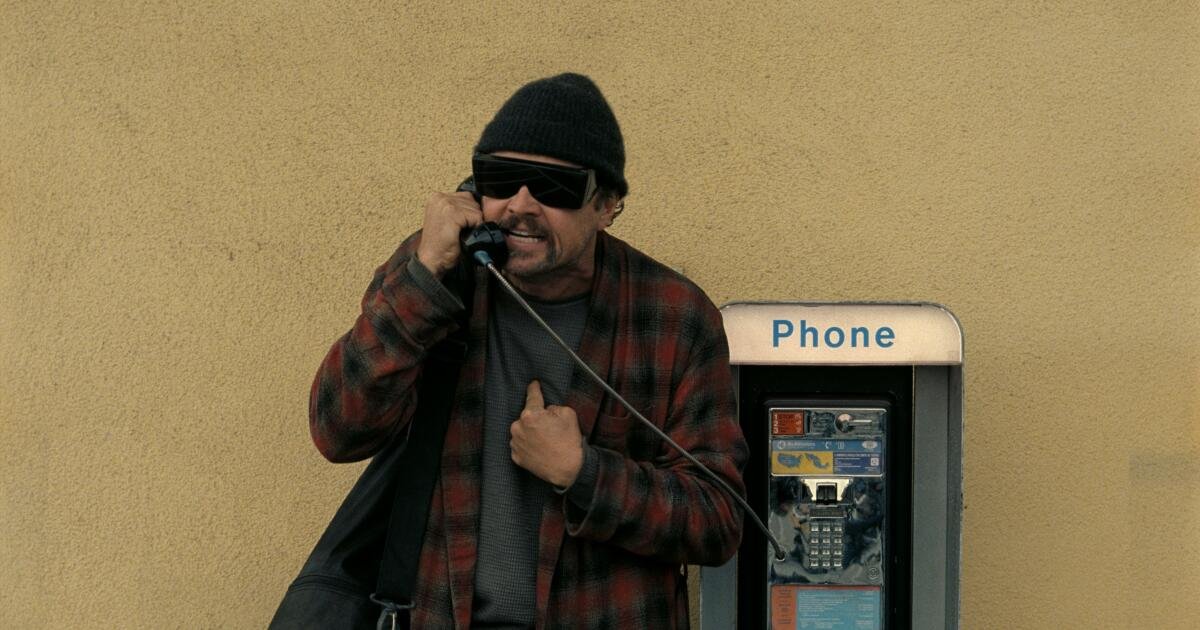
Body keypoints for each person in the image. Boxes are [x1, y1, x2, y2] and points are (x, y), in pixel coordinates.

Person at [308, 72, 747, 629]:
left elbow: (718, 519)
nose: (520, 204)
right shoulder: (436, 275)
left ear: (606, 205)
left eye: (553, 187)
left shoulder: (673, 316)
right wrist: (425, 276)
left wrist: (585, 473)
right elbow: (338, 430)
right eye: (499, 179)